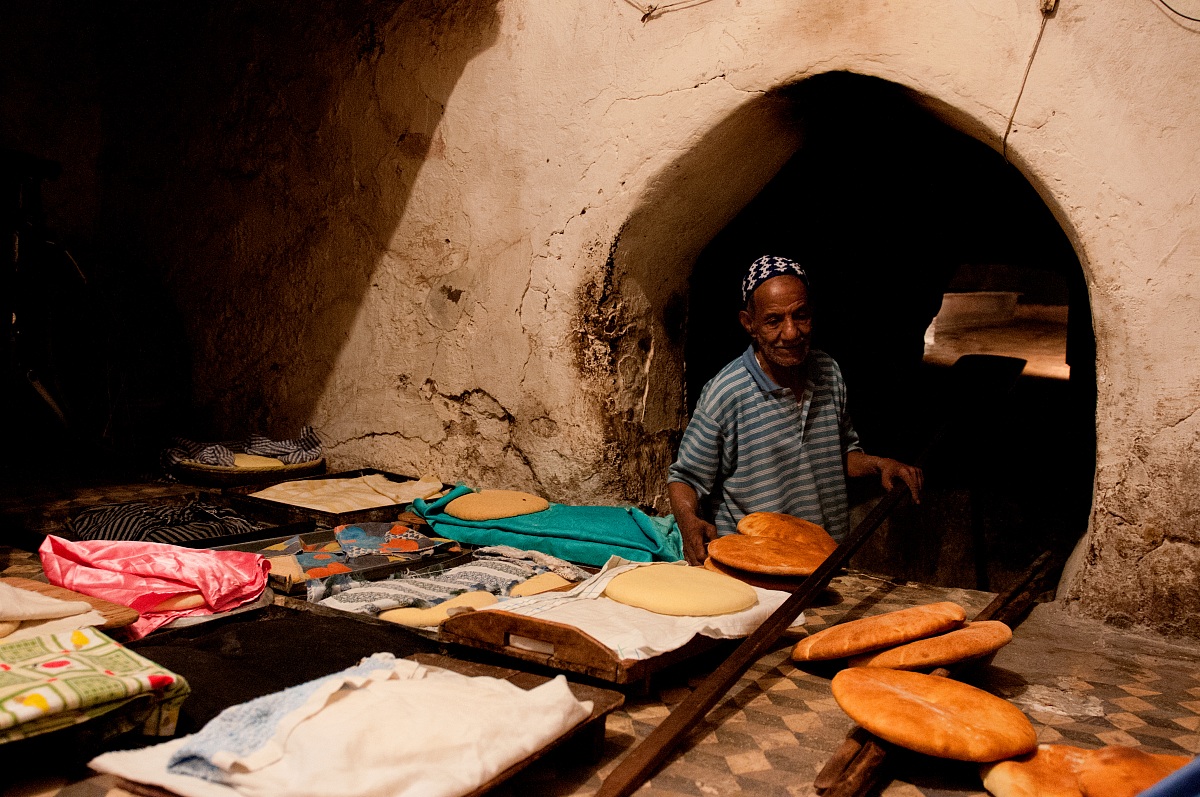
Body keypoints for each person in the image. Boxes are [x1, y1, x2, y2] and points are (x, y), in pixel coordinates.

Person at [668, 255, 923, 565]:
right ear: (750, 324)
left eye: (800, 316)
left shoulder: (828, 373)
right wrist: (687, 521)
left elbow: (838, 454)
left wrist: (880, 464)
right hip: (754, 563)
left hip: (824, 557)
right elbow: (685, 478)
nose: (791, 333)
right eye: (774, 320)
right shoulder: (727, 392)